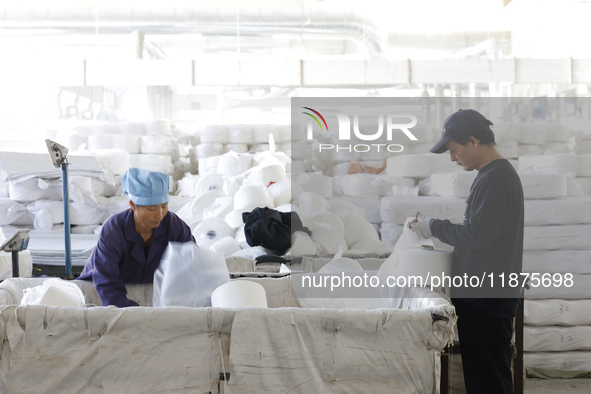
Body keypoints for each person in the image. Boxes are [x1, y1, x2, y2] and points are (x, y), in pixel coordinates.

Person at [409, 109, 524, 394]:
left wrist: (433, 226)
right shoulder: (490, 176)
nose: (452, 157)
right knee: (482, 378)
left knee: (489, 382)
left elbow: (476, 236)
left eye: (454, 149)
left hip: (487, 298)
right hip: (480, 297)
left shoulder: (497, 178)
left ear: (473, 140)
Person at [78, 168, 195, 307]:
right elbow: (106, 282)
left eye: (164, 206)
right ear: (133, 205)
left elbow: (192, 261)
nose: (159, 215)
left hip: (148, 286)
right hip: (100, 289)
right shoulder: (114, 230)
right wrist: (132, 313)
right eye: (151, 209)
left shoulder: (174, 225)